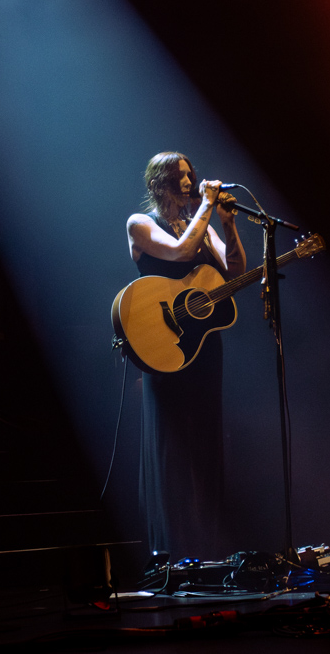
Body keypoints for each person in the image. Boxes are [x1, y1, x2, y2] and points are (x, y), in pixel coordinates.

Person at [126, 151, 247, 561]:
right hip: (163, 343)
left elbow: (234, 273)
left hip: (205, 344)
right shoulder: (141, 224)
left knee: (206, 438)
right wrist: (209, 208)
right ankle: (173, 553)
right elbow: (179, 252)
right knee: (173, 443)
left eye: (190, 174)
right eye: (180, 176)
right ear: (159, 182)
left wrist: (229, 227)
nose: (189, 181)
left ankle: (210, 549)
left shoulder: (204, 224)